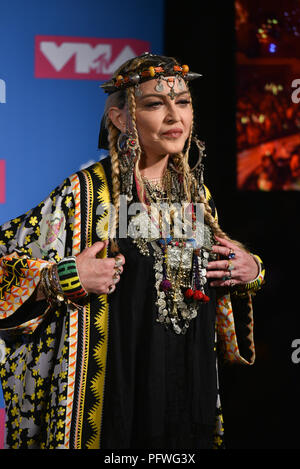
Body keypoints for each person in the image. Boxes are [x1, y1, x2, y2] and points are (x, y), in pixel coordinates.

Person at [0, 53, 265, 450]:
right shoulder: (83, 195)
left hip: (186, 395)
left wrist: (250, 269)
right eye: (156, 103)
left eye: (184, 101)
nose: (175, 115)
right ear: (122, 119)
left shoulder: (197, 196)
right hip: (113, 404)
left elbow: (207, 283)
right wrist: (65, 277)